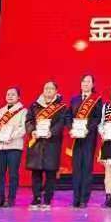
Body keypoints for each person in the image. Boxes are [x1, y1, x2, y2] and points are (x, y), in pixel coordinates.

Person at [25, 80, 67, 210]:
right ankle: (36, 198)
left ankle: (47, 200)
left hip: (52, 143)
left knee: (50, 173)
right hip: (37, 143)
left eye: (51, 88)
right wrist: (32, 131)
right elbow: (29, 120)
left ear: (56, 91)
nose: (48, 90)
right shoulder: (34, 105)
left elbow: (61, 122)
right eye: (46, 88)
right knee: (36, 172)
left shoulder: (61, 107)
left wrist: (52, 132)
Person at [0, 87, 27, 207]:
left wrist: (11, 136)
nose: (10, 96)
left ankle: (11, 199)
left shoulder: (23, 111)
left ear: (18, 97)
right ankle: (0, 198)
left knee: (13, 174)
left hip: (14, 146)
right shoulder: (0, 112)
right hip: (0, 147)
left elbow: (23, 128)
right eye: (8, 94)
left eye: (13, 94)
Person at [67, 74, 102, 208]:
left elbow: (97, 118)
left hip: (89, 137)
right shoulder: (74, 99)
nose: (85, 84)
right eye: (83, 81)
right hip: (76, 138)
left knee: (87, 168)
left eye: (88, 81)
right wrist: (71, 128)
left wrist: (87, 129)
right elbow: (68, 116)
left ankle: (83, 199)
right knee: (76, 168)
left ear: (93, 84)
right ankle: (76, 198)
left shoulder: (96, 100)